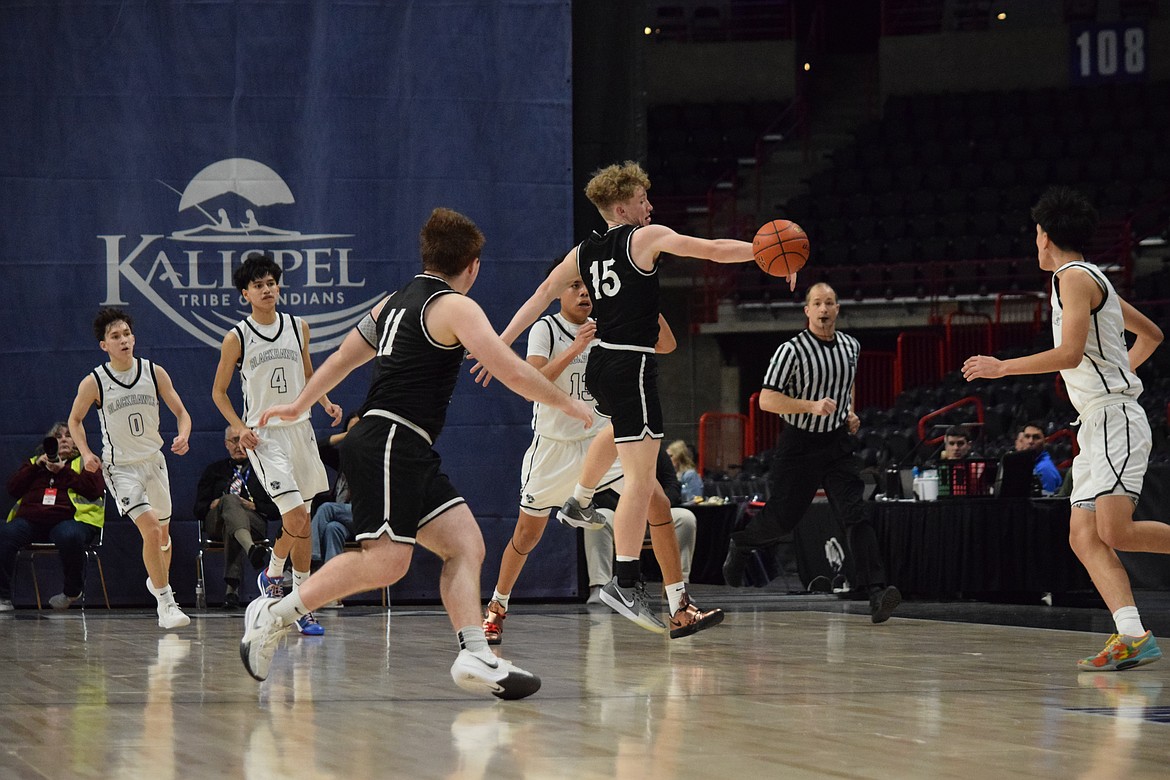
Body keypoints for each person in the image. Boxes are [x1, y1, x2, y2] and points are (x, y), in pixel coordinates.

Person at [239, 207, 593, 700]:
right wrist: (571, 405)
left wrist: (300, 403)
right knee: (386, 561)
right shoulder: (456, 307)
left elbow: (344, 355)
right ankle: (274, 613)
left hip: (404, 445)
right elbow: (513, 373)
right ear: (472, 265)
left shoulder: (394, 301)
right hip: (389, 439)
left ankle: (473, 652)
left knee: (465, 544)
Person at [482, 161, 773, 638]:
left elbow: (539, 293)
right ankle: (625, 579)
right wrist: (761, 251)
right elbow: (712, 250)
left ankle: (586, 507)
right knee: (641, 479)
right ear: (622, 206)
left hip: (603, 367)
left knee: (622, 444)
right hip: (628, 367)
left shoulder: (583, 252)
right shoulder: (645, 237)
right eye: (643, 200)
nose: (650, 206)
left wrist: (495, 342)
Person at [963, 186, 1167, 672]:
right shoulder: (1095, 278)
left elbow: (1070, 354)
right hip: (1098, 421)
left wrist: (1002, 367)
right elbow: (1153, 334)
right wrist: (1122, 376)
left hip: (1114, 419)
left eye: (1036, 234)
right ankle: (1133, 635)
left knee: (1116, 530)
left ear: (1046, 236)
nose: (1035, 242)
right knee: (1083, 535)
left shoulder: (1072, 278)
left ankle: (1133, 635)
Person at [722, 283, 902, 624]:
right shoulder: (790, 350)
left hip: (837, 443)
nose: (824, 309)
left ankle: (877, 591)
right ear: (807, 310)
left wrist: (848, 411)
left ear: (837, 309)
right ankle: (742, 544)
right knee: (782, 518)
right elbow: (766, 400)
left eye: (830, 303)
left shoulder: (851, 346)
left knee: (855, 513)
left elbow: (846, 385)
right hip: (799, 443)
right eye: (817, 303)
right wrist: (811, 406)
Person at [480, 263, 630, 644]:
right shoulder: (545, 328)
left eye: (588, 286)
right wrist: (577, 347)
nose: (584, 292)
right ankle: (497, 606)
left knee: (652, 499)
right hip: (554, 448)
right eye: (574, 285)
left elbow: (664, 346)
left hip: (599, 441)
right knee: (527, 536)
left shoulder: (609, 325)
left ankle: (674, 599)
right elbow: (533, 382)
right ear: (558, 292)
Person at [212, 253, 343, 637]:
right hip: (264, 436)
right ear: (245, 293)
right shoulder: (236, 337)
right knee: (298, 520)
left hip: (300, 431)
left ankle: (274, 574)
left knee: (299, 518)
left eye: (271, 283)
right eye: (258, 285)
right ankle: (299, 601)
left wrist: (325, 401)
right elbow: (219, 393)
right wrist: (239, 428)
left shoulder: (297, 326)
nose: (267, 289)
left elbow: (307, 372)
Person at [68, 307, 192, 629]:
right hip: (120, 467)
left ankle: (157, 582)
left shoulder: (154, 372)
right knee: (150, 529)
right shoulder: (94, 381)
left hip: (154, 461)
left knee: (163, 536)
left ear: (133, 337)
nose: (123, 340)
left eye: (126, 334)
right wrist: (86, 452)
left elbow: (182, 412)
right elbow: (75, 420)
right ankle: (166, 602)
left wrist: (183, 434)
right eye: (115, 336)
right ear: (104, 345)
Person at [0, 422, 105, 611]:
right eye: (58, 436)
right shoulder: (34, 463)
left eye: (68, 435)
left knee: (69, 535)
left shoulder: (86, 461)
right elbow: (12, 489)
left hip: (71, 521)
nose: (63, 439)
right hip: (31, 522)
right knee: (6, 533)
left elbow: (94, 490)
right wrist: (35, 467)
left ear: (77, 442)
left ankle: (72, 591)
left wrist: (63, 471)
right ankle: (3, 598)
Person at [584, 446, 698, 595]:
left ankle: (678, 586)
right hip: (614, 511)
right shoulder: (601, 449)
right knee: (597, 520)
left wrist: (653, 508)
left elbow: (672, 484)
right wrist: (628, 511)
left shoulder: (652, 445)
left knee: (686, 518)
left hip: (652, 510)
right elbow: (594, 491)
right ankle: (599, 585)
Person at [192, 426, 279, 608]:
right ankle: (251, 550)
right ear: (226, 444)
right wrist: (214, 504)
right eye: (234, 440)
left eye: (242, 440)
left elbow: (275, 510)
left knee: (233, 525)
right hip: (216, 521)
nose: (239, 446)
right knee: (230, 501)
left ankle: (232, 591)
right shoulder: (214, 470)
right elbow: (198, 509)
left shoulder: (262, 470)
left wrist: (254, 505)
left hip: (253, 521)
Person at [310, 413, 359, 595]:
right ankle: (333, 593)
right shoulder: (343, 458)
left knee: (326, 509)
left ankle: (311, 558)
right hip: (346, 519)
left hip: (366, 516)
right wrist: (347, 436)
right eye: (351, 430)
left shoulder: (374, 456)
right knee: (332, 528)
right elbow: (319, 448)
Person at [1013, 421, 1062, 495]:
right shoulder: (1028, 464)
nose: (1031, 441)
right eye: (1027, 436)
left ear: (1045, 441)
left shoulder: (1044, 469)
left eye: (1036, 437)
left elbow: (1048, 504)